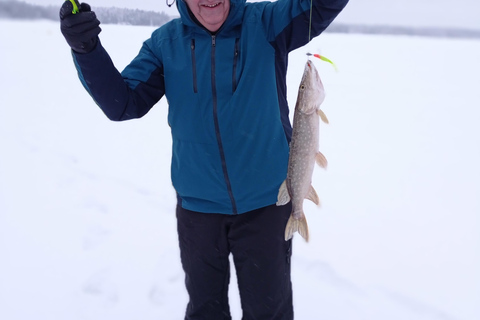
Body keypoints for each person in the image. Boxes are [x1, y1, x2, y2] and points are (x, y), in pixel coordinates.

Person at [59, 0, 348, 318]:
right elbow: (122, 103)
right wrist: (87, 50)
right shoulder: (164, 45)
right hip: (198, 210)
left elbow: (322, 6)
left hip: (267, 204)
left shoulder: (265, 24)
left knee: (270, 312)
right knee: (204, 310)